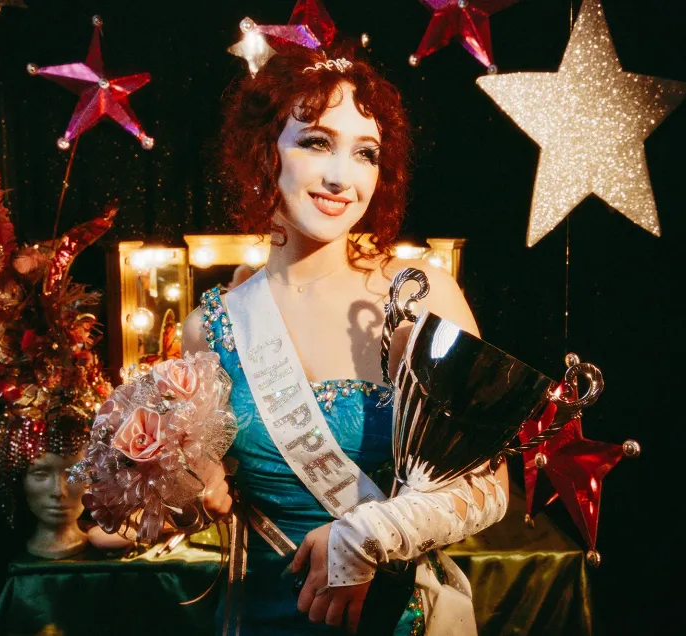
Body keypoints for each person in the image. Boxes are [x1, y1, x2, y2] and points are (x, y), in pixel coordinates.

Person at [183, 45, 508, 635]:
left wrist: (366, 534)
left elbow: (488, 487)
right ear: (264, 153)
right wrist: (170, 489)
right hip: (261, 616)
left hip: (393, 617)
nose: (341, 176)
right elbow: (207, 494)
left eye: (366, 154)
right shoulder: (209, 327)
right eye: (315, 142)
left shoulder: (422, 297)